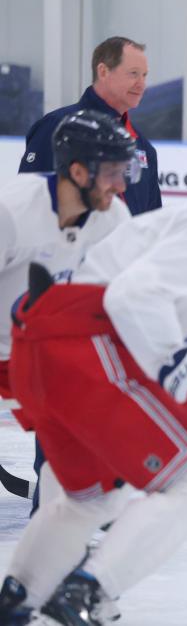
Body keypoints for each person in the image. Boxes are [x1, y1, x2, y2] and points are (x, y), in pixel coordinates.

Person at [0, 140, 187, 625]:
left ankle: (18, 598)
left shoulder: (182, 223)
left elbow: (131, 310)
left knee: (93, 497)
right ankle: (87, 590)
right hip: (79, 352)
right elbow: (134, 298)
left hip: (44, 353)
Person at [0, 108, 136, 437]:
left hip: (39, 355)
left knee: (83, 436)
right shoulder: (11, 212)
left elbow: (121, 299)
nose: (120, 185)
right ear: (77, 172)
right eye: (111, 173)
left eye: (124, 172)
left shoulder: (114, 218)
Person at [19, 36, 161, 216]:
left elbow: (151, 220)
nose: (142, 84)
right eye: (133, 73)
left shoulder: (143, 147)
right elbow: (29, 200)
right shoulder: (58, 127)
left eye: (144, 75)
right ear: (103, 71)